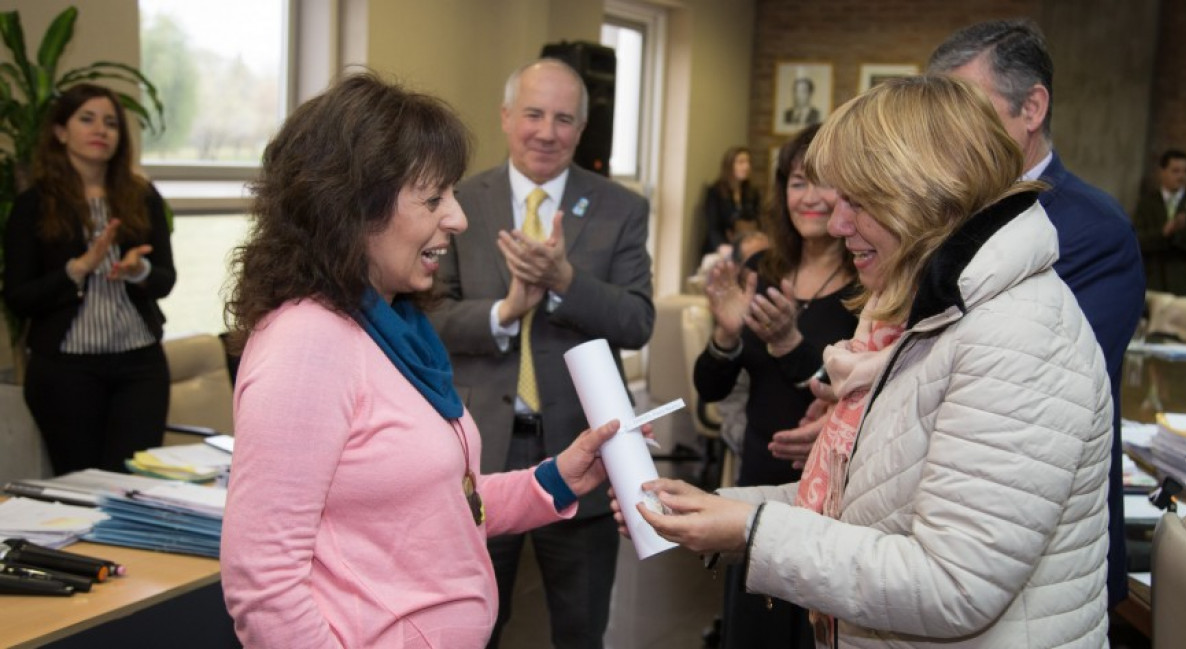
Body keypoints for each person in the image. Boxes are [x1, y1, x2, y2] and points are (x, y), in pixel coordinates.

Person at [622, 74, 1113, 649]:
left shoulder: (1019, 335)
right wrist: (717, 511)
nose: (835, 224)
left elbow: (953, 585)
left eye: (856, 201)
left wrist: (749, 530)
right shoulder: (934, 311)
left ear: (922, 191)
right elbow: (864, 505)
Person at [219, 73, 624, 649]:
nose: (457, 219)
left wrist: (555, 479)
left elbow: (442, 506)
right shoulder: (307, 344)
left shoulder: (395, 327)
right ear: (353, 208)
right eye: (434, 199)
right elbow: (262, 581)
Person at [426, 58, 654, 649]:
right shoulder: (455, 202)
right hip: (478, 453)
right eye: (532, 114)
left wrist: (566, 282)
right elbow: (428, 315)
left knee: (580, 629)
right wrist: (505, 310)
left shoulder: (620, 208)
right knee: (471, 627)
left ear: (581, 130)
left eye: (563, 119)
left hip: (581, 447)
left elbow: (637, 321)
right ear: (505, 117)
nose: (546, 132)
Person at [927, 18, 1144, 607]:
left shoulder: (1093, 229)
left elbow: (1038, 387)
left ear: (1032, 107)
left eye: (968, 112)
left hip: (1045, 543)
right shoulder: (942, 212)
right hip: (947, 521)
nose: (951, 136)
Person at [693, 123, 858, 649]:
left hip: (830, 492)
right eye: (796, 182)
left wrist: (789, 343)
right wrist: (724, 332)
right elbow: (712, 389)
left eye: (824, 182)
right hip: (759, 473)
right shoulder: (764, 268)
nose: (809, 198)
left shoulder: (867, 284)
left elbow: (849, 393)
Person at [2, 83, 175, 476]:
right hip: (66, 371)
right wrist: (80, 267)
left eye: (111, 122)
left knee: (134, 487)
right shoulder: (34, 205)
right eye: (87, 119)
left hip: (140, 365)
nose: (101, 130)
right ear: (61, 132)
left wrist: (138, 271)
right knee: (81, 485)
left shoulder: (142, 196)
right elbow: (18, 296)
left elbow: (165, 279)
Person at [1132, 149, 1186, 301]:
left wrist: (1180, 233)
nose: (1181, 176)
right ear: (1162, 172)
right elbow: (1137, 239)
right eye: (1175, 171)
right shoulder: (1146, 203)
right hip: (1155, 281)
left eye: (1185, 171)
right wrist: (1163, 233)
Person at [702, 146, 762, 255]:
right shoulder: (715, 192)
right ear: (729, 166)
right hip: (721, 248)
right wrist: (722, 246)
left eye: (748, 162)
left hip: (746, 246)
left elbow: (758, 220)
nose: (746, 166)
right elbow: (713, 227)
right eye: (741, 162)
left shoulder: (752, 193)